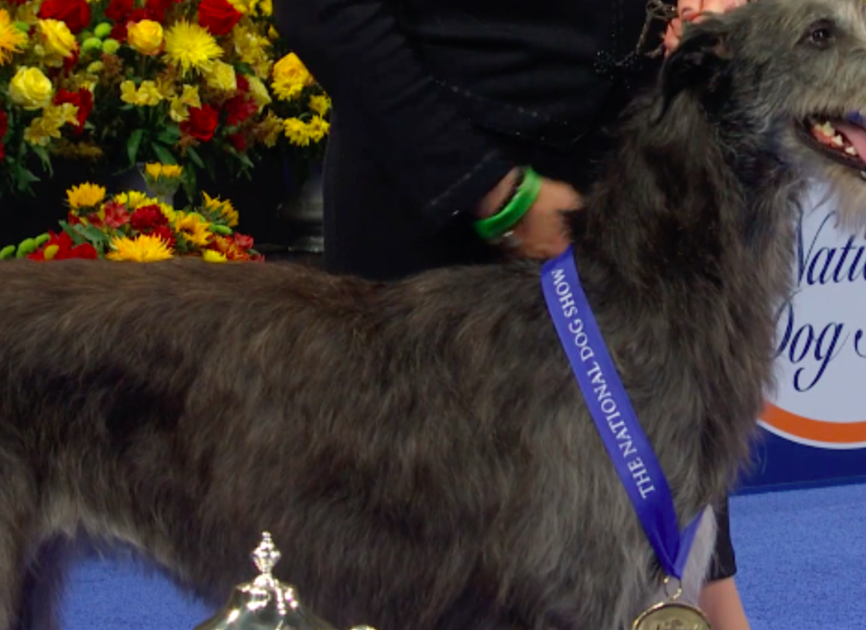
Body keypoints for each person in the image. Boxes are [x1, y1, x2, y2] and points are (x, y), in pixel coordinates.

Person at [272, 0, 752, 628]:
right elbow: (324, 13)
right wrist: (492, 191)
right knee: (426, 562)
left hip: (632, 150)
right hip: (434, 186)